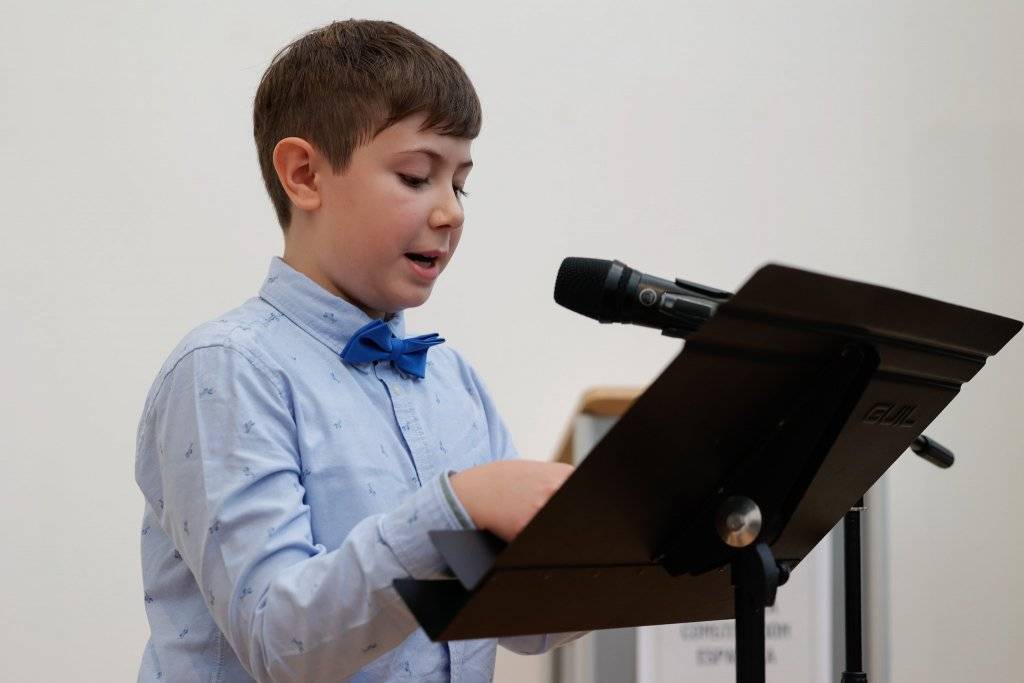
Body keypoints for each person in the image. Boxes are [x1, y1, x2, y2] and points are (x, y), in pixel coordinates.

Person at [134, 18, 580, 682]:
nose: (452, 212)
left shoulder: (451, 379)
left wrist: (622, 539)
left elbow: (523, 622)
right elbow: (278, 642)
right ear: (305, 175)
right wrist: (456, 506)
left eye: (460, 183)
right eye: (416, 176)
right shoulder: (228, 368)